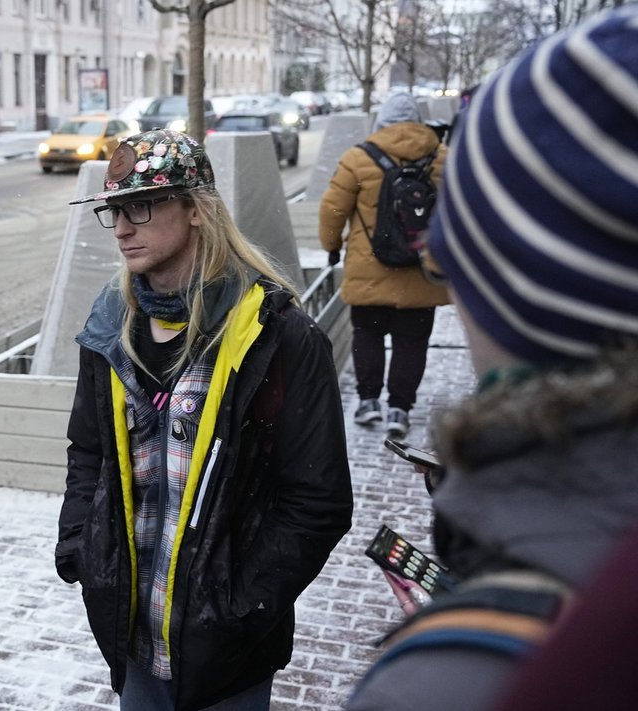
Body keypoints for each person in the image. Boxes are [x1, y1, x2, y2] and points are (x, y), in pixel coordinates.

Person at [345, 8, 638, 710]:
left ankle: (374, 399)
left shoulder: (451, 680)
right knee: (409, 345)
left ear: (504, 279)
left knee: (376, 343)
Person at [56, 129, 353, 711]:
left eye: (140, 206)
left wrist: (242, 608)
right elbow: (87, 451)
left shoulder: (278, 336)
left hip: (228, 653)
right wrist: (81, 550)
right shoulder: (109, 327)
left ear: (196, 208)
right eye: (113, 210)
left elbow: (316, 501)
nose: (121, 226)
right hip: (132, 634)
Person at [319, 91, 449, 438]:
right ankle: (399, 409)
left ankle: (368, 401)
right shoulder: (442, 158)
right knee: (412, 342)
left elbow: (333, 210)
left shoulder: (358, 159)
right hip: (421, 271)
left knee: (368, 335)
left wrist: (331, 247)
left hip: (369, 272)